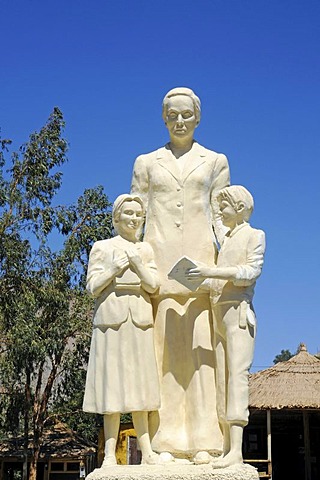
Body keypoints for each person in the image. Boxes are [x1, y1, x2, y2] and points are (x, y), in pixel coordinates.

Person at [131, 87, 230, 461]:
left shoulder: (215, 161)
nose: (180, 121)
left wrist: (229, 261)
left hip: (202, 267)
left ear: (198, 117)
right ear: (163, 117)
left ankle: (207, 439)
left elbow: (222, 216)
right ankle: (165, 441)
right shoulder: (146, 162)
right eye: (172, 114)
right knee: (164, 356)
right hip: (159, 265)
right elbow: (135, 215)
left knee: (202, 353)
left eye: (186, 114)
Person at [186, 185, 266, 468]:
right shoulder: (228, 241)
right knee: (221, 379)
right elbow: (219, 281)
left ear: (241, 208)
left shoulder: (254, 236)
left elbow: (249, 274)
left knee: (237, 378)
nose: (220, 212)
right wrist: (198, 279)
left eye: (225, 207)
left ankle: (236, 451)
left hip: (238, 315)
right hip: (218, 314)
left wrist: (211, 271)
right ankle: (225, 445)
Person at [83, 194, 160, 466]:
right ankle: (108, 454)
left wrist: (138, 265)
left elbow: (154, 285)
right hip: (111, 317)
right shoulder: (102, 247)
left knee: (140, 385)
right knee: (111, 385)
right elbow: (92, 287)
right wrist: (112, 270)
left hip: (139, 316)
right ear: (117, 217)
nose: (133, 218)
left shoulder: (146, 249)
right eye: (128, 213)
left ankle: (147, 451)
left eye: (137, 214)